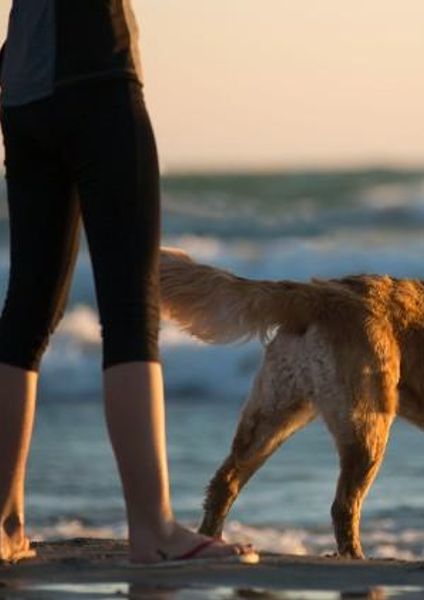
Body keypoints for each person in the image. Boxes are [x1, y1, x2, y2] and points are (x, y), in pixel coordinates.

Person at [0, 1, 258, 564]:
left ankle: (5, 524)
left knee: (26, 315)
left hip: (21, 92)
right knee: (130, 309)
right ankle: (154, 530)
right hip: (99, 74)